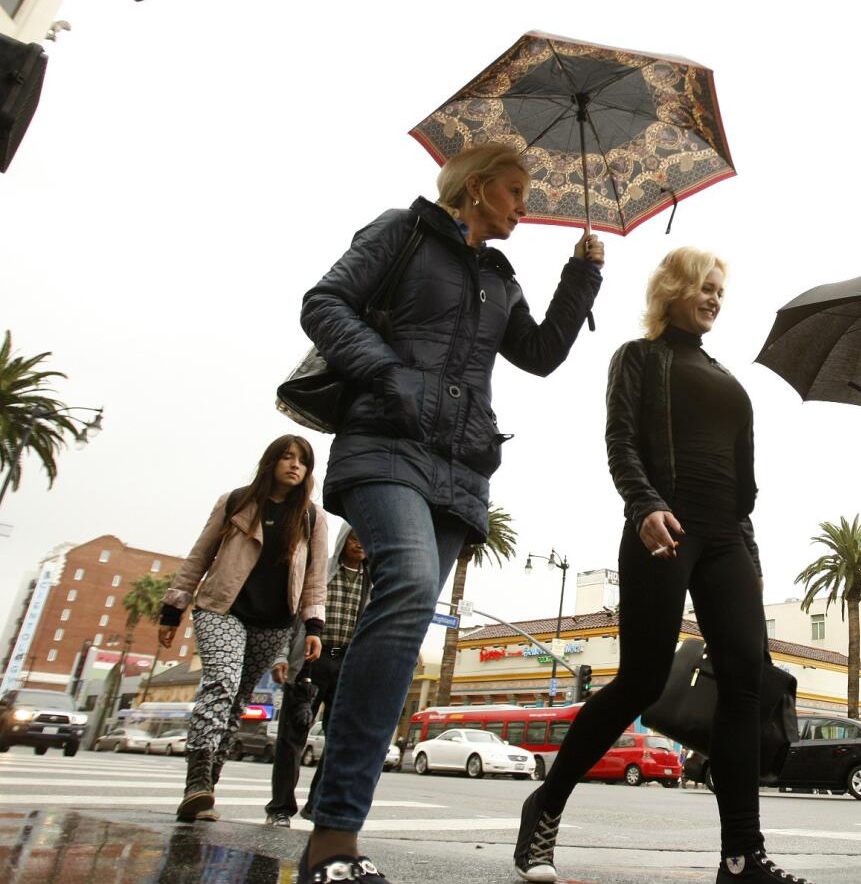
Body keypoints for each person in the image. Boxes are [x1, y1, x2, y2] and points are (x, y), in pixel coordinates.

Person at [298, 142, 603, 881]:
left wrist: (582, 275)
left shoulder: (501, 279)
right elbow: (323, 304)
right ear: (475, 188)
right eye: (515, 190)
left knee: (401, 631)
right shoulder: (401, 231)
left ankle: (334, 811)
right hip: (384, 441)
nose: (524, 205)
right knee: (403, 583)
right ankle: (336, 830)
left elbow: (539, 353)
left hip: (460, 470)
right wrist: (386, 372)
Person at [513, 247, 810, 884]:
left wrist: (750, 552)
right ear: (672, 289)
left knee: (744, 683)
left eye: (719, 292)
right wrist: (644, 504)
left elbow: (741, 480)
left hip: (728, 536)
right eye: (703, 287)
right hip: (662, 529)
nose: (712, 299)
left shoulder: (728, 376)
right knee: (642, 682)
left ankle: (741, 856)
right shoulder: (640, 357)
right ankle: (546, 804)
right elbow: (621, 440)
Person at [159, 435, 328, 823]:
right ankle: (196, 783)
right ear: (271, 462)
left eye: (302, 461)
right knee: (220, 684)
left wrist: (313, 626)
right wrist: (173, 611)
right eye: (286, 457)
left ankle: (206, 789)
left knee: (237, 701)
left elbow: (316, 579)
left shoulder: (313, 518)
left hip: (275, 622)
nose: (294, 465)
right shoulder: (235, 501)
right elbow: (199, 556)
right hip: (222, 609)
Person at [265, 525, 371, 828]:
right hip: (310, 660)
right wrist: (282, 655)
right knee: (292, 737)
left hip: (346, 662)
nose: (359, 544)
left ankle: (317, 805)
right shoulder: (319, 572)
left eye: (364, 539)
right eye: (353, 537)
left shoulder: (372, 580)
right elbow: (290, 615)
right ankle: (280, 808)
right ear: (342, 540)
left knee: (339, 740)